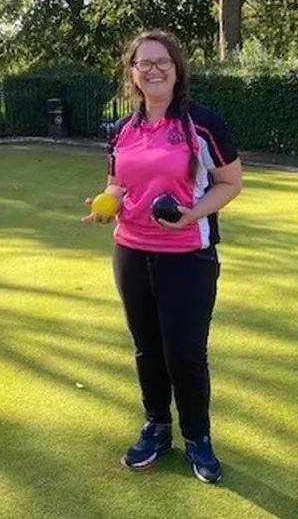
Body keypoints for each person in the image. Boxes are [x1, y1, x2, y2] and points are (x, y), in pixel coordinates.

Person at [82, 30, 242, 483]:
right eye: (144, 63)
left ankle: (198, 438)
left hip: (188, 256)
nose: (153, 69)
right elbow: (118, 183)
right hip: (131, 251)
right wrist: (103, 206)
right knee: (147, 348)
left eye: (162, 62)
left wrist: (192, 214)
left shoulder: (203, 124)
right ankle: (157, 427)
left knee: (186, 354)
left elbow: (231, 184)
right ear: (132, 73)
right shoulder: (122, 130)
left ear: (176, 69)